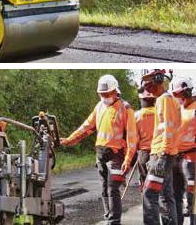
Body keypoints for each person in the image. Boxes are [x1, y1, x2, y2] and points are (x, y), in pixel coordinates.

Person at [61, 74, 137, 224]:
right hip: (101, 155)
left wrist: (128, 160)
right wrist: (69, 140)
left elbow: (132, 138)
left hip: (117, 156)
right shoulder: (99, 107)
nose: (104, 97)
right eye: (101, 94)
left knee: (112, 188)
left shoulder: (125, 108)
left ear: (115, 91)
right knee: (104, 189)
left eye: (107, 94)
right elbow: (87, 127)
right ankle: (108, 216)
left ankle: (114, 221)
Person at [141, 69, 181, 225]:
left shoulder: (164, 100)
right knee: (165, 195)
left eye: (149, 84)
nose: (147, 89)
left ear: (158, 80)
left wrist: (163, 155)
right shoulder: (164, 99)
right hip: (164, 153)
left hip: (162, 154)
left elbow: (169, 129)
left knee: (149, 193)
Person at [171, 76, 196, 225]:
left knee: (192, 197)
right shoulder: (177, 108)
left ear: (187, 92)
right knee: (175, 196)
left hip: (192, 159)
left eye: (180, 95)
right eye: (176, 95)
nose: (178, 98)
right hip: (175, 158)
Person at [136, 86, 158, 189]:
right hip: (158, 152)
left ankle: (146, 203)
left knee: (145, 182)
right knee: (157, 182)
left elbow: (134, 137)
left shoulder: (137, 116)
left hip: (143, 153)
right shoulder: (160, 113)